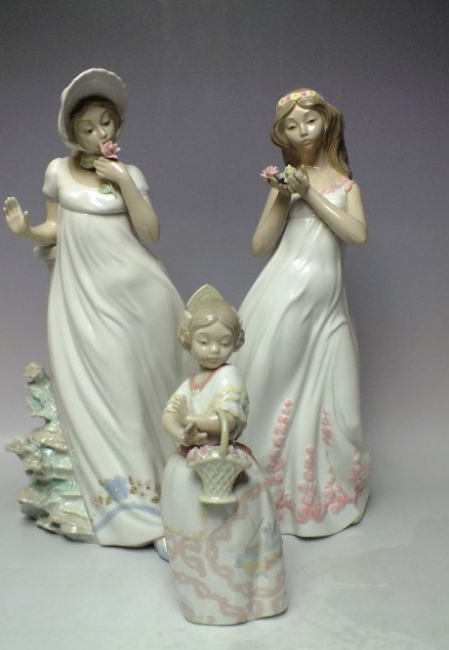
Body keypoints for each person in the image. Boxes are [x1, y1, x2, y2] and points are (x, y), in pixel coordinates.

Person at [4, 68, 188, 552]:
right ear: (72, 132)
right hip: (85, 299)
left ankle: (162, 499)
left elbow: (150, 232)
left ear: (117, 124)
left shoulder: (131, 174)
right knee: (108, 393)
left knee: (138, 393)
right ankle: (131, 511)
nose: (99, 133)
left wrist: (123, 180)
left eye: (106, 123)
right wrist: (25, 230)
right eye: (87, 127)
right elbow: (55, 230)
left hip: (138, 295)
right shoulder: (57, 171)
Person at [235, 89, 371, 537]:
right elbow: (259, 247)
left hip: (328, 309)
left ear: (326, 122)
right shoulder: (287, 184)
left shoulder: (346, 186)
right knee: (277, 392)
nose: (303, 132)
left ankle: (329, 494)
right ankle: (270, 493)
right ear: (283, 136)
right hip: (287, 299)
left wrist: (310, 195)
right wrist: (282, 197)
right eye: (292, 127)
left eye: (309, 122)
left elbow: (356, 235)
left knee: (341, 406)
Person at [161, 285, 287, 625]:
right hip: (188, 466)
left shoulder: (229, 376)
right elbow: (169, 414)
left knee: (231, 538)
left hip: (223, 464)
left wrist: (195, 421)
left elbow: (230, 418)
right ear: (189, 340)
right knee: (192, 534)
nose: (214, 350)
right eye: (204, 341)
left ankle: (233, 601)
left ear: (235, 343)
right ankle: (200, 597)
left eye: (224, 342)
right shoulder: (190, 382)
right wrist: (181, 433)